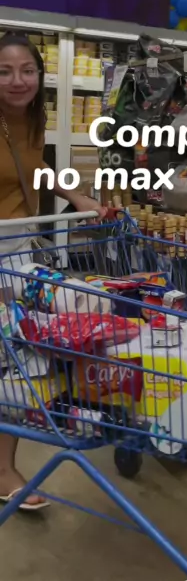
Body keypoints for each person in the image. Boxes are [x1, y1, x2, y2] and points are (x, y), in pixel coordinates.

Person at [0, 32, 106, 510]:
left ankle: (3, 467)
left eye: (27, 70)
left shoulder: (30, 119)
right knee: (11, 356)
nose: (17, 80)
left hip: (17, 251)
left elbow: (34, 165)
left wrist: (77, 196)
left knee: (16, 356)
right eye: (4, 71)